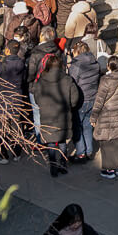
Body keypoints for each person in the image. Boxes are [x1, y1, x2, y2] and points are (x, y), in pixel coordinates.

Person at [33, 40, 81, 176]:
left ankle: (53, 165)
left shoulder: (41, 81)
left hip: (47, 116)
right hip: (63, 115)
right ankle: (63, 164)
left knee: (50, 141)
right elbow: (75, 97)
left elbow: (36, 98)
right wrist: (70, 106)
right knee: (62, 140)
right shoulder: (67, 80)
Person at [0, 41, 27, 163]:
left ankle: (3, 154)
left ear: (7, 51)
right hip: (17, 99)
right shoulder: (22, 64)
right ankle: (17, 153)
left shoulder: (0, 65)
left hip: (2, 101)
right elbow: (25, 79)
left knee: (2, 129)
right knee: (17, 126)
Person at [66, 39, 101, 162]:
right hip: (93, 97)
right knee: (87, 126)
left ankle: (80, 153)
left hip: (81, 99)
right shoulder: (95, 63)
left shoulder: (77, 65)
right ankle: (89, 151)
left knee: (78, 126)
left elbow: (72, 82)